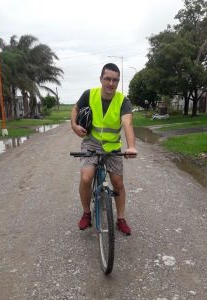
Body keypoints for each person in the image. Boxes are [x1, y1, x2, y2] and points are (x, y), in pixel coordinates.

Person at [71, 63, 137, 235]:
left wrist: (131, 147)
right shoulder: (89, 94)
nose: (111, 83)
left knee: (118, 183)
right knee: (86, 177)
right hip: (91, 142)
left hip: (112, 146)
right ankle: (87, 213)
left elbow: (127, 123)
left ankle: (120, 219)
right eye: (107, 79)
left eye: (115, 80)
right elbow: (75, 109)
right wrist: (74, 125)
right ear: (101, 79)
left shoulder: (123, 101)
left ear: (118, 81)